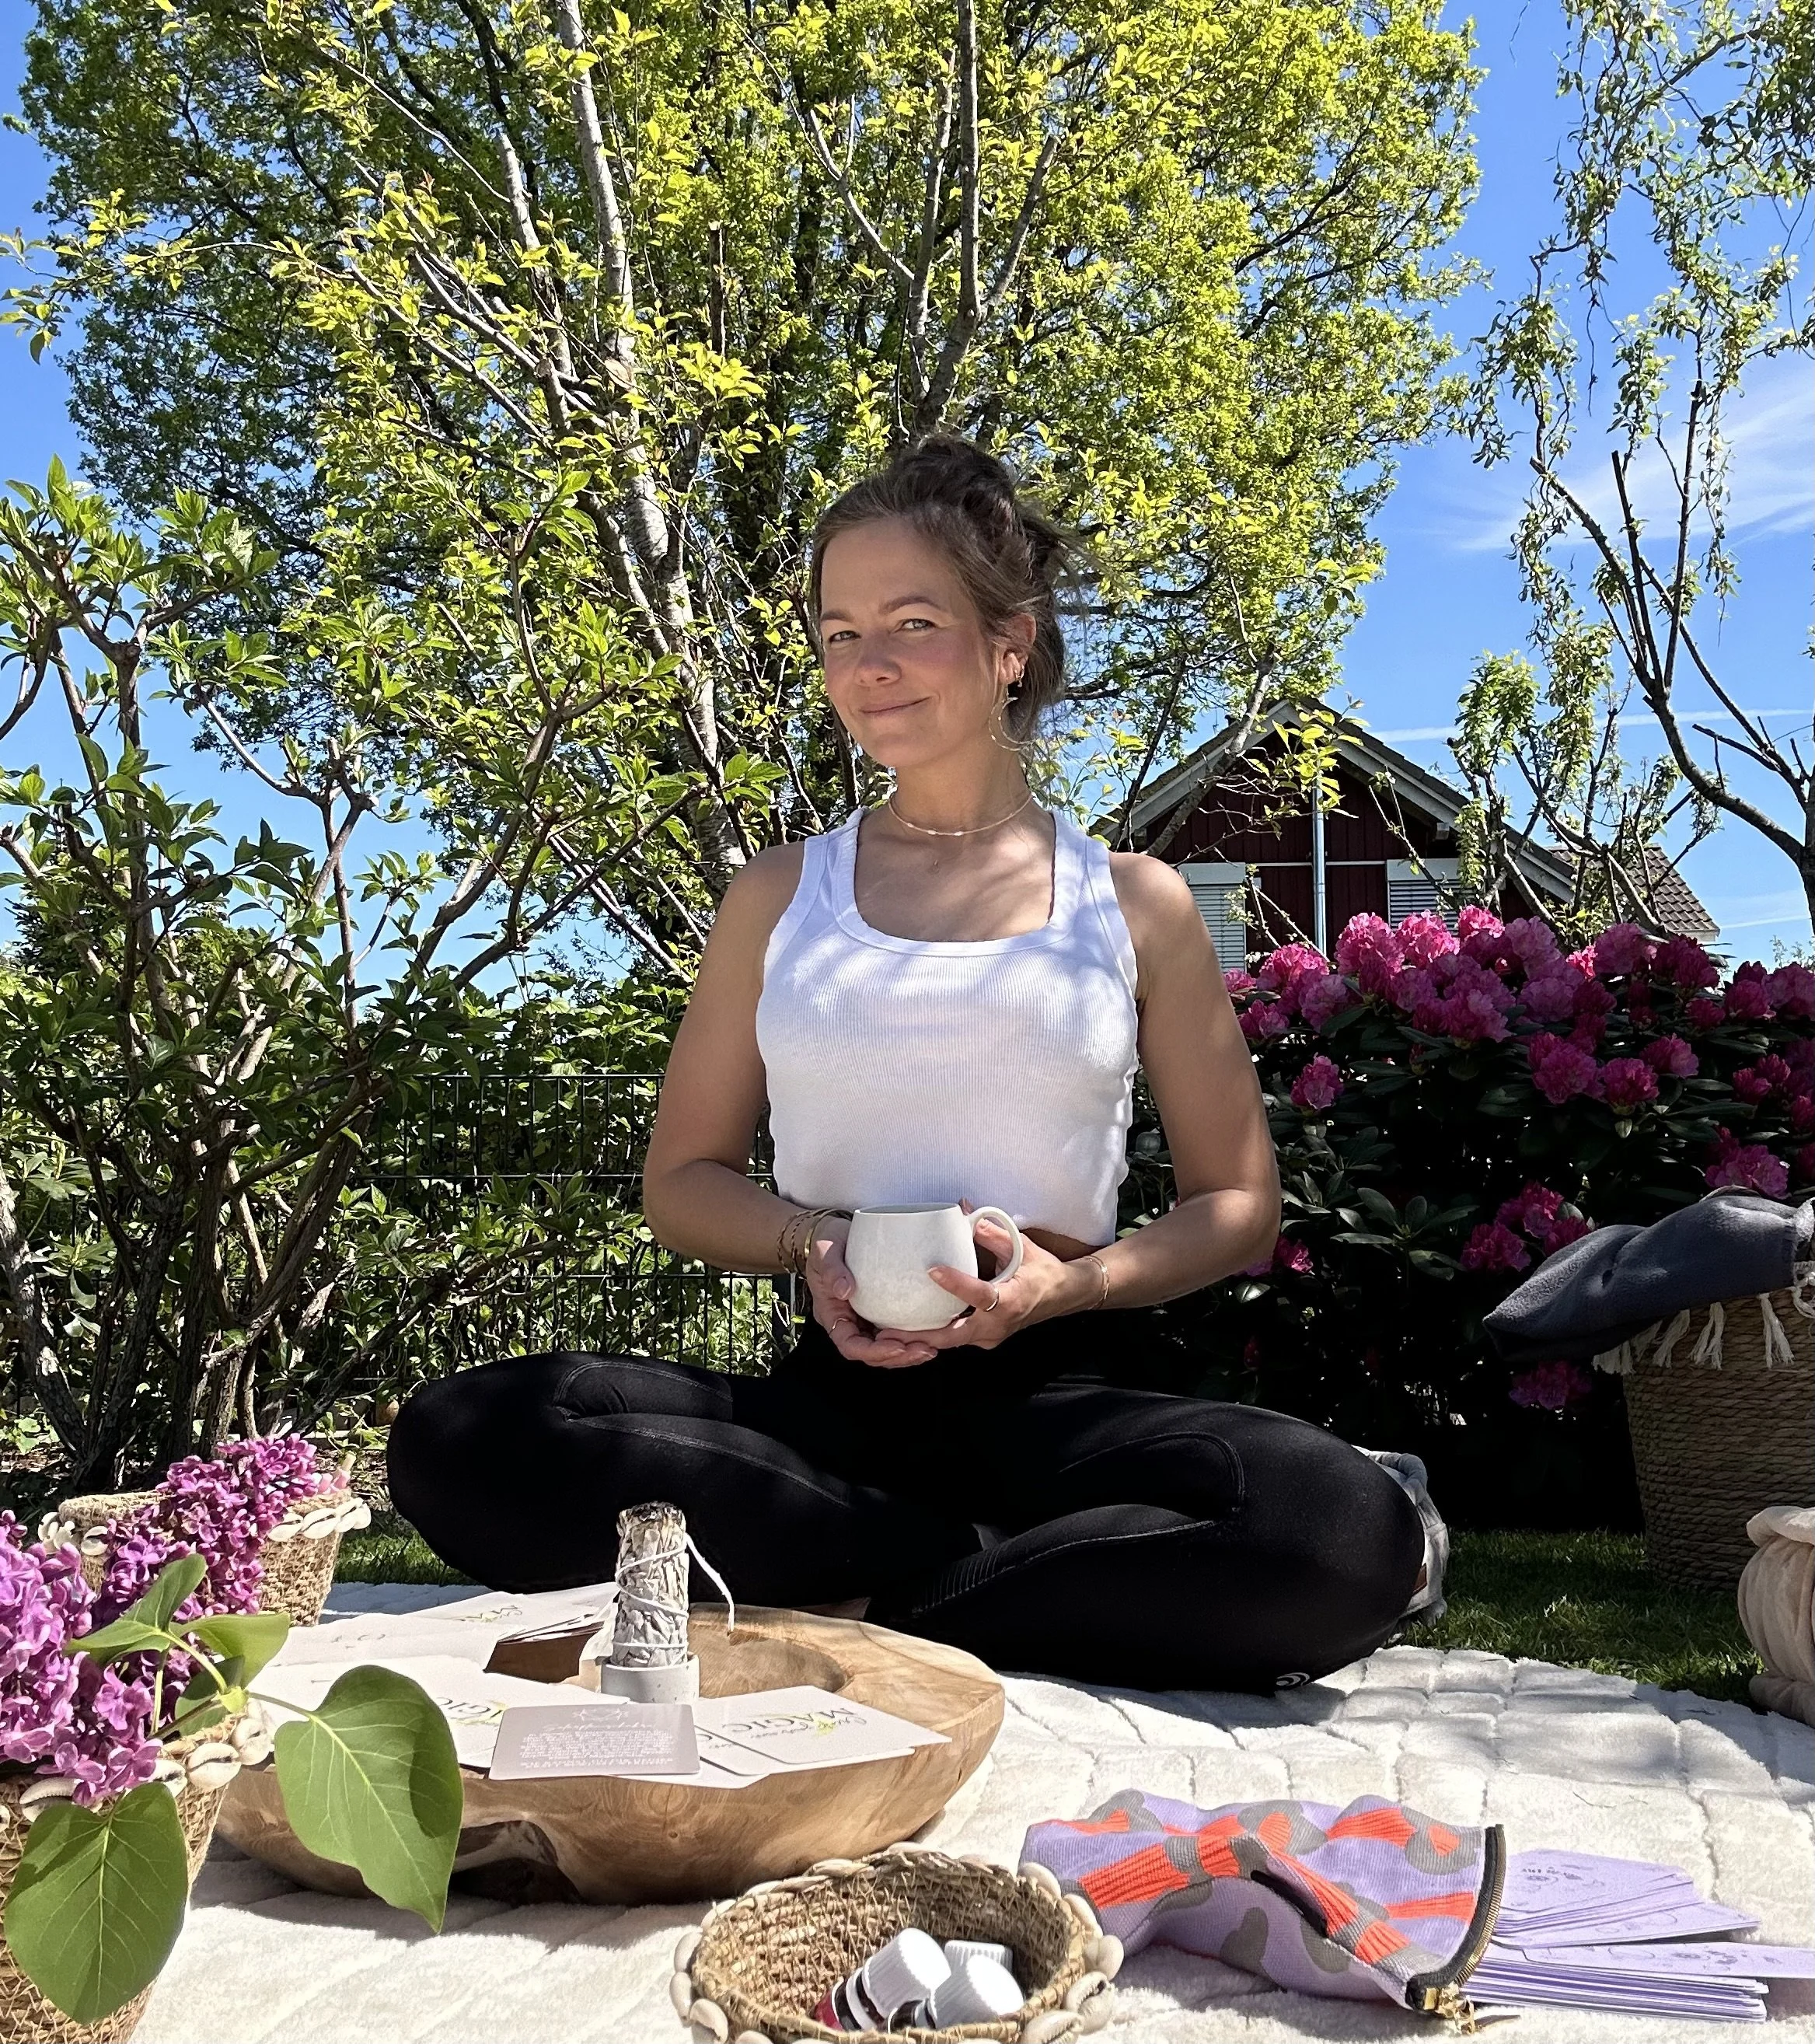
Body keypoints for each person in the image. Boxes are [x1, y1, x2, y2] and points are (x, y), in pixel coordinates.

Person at [388, 436, 1440, 1691]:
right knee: (466, 1436)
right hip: (827, 1417)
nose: (867, 665)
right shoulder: (778, 895)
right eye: (838, 633)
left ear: (1009, 645)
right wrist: (812, 1249)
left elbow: (1235, 1207)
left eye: (910, 622)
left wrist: (1073, 1284)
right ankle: (961, 1576)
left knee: (1338, 1533)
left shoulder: (1133, 902)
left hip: (1064, 1395)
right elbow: (685, 1178)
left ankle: (868, 1601)